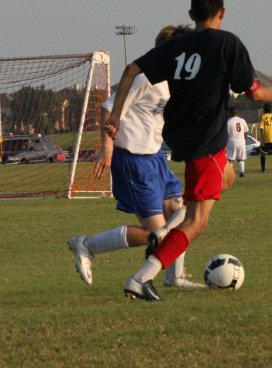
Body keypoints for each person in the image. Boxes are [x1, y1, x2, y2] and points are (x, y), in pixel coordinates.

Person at [105, 0, 272, 301]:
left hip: (184, 137)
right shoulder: (227, 43)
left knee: (225, 177)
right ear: (222, 13)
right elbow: (255, 93)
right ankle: (141, 277)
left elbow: (132, 68)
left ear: (191, 15)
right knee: (196, 222)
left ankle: (174, 222)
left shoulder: (178, 45)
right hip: (206, 139)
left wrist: (116, 115)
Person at [68, 25, 203, 290]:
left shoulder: (171, 81)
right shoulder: (145, 79)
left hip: (155, 159)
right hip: (133, 161)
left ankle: (174, 277)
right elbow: (108, 109)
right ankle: (87, 245)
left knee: (180, 213)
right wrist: (107, 148)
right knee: (157, 234)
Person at [225, 108, 249, 177]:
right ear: (237, 113)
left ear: (230, 113)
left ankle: (230, 174)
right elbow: (246, 131)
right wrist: (243, 139)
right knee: (241, 159)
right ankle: (242, 172)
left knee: (230, 159)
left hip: (232, 142)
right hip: (241, 142)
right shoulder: (242, 120)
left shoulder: (229, 122)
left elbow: (226, 134)